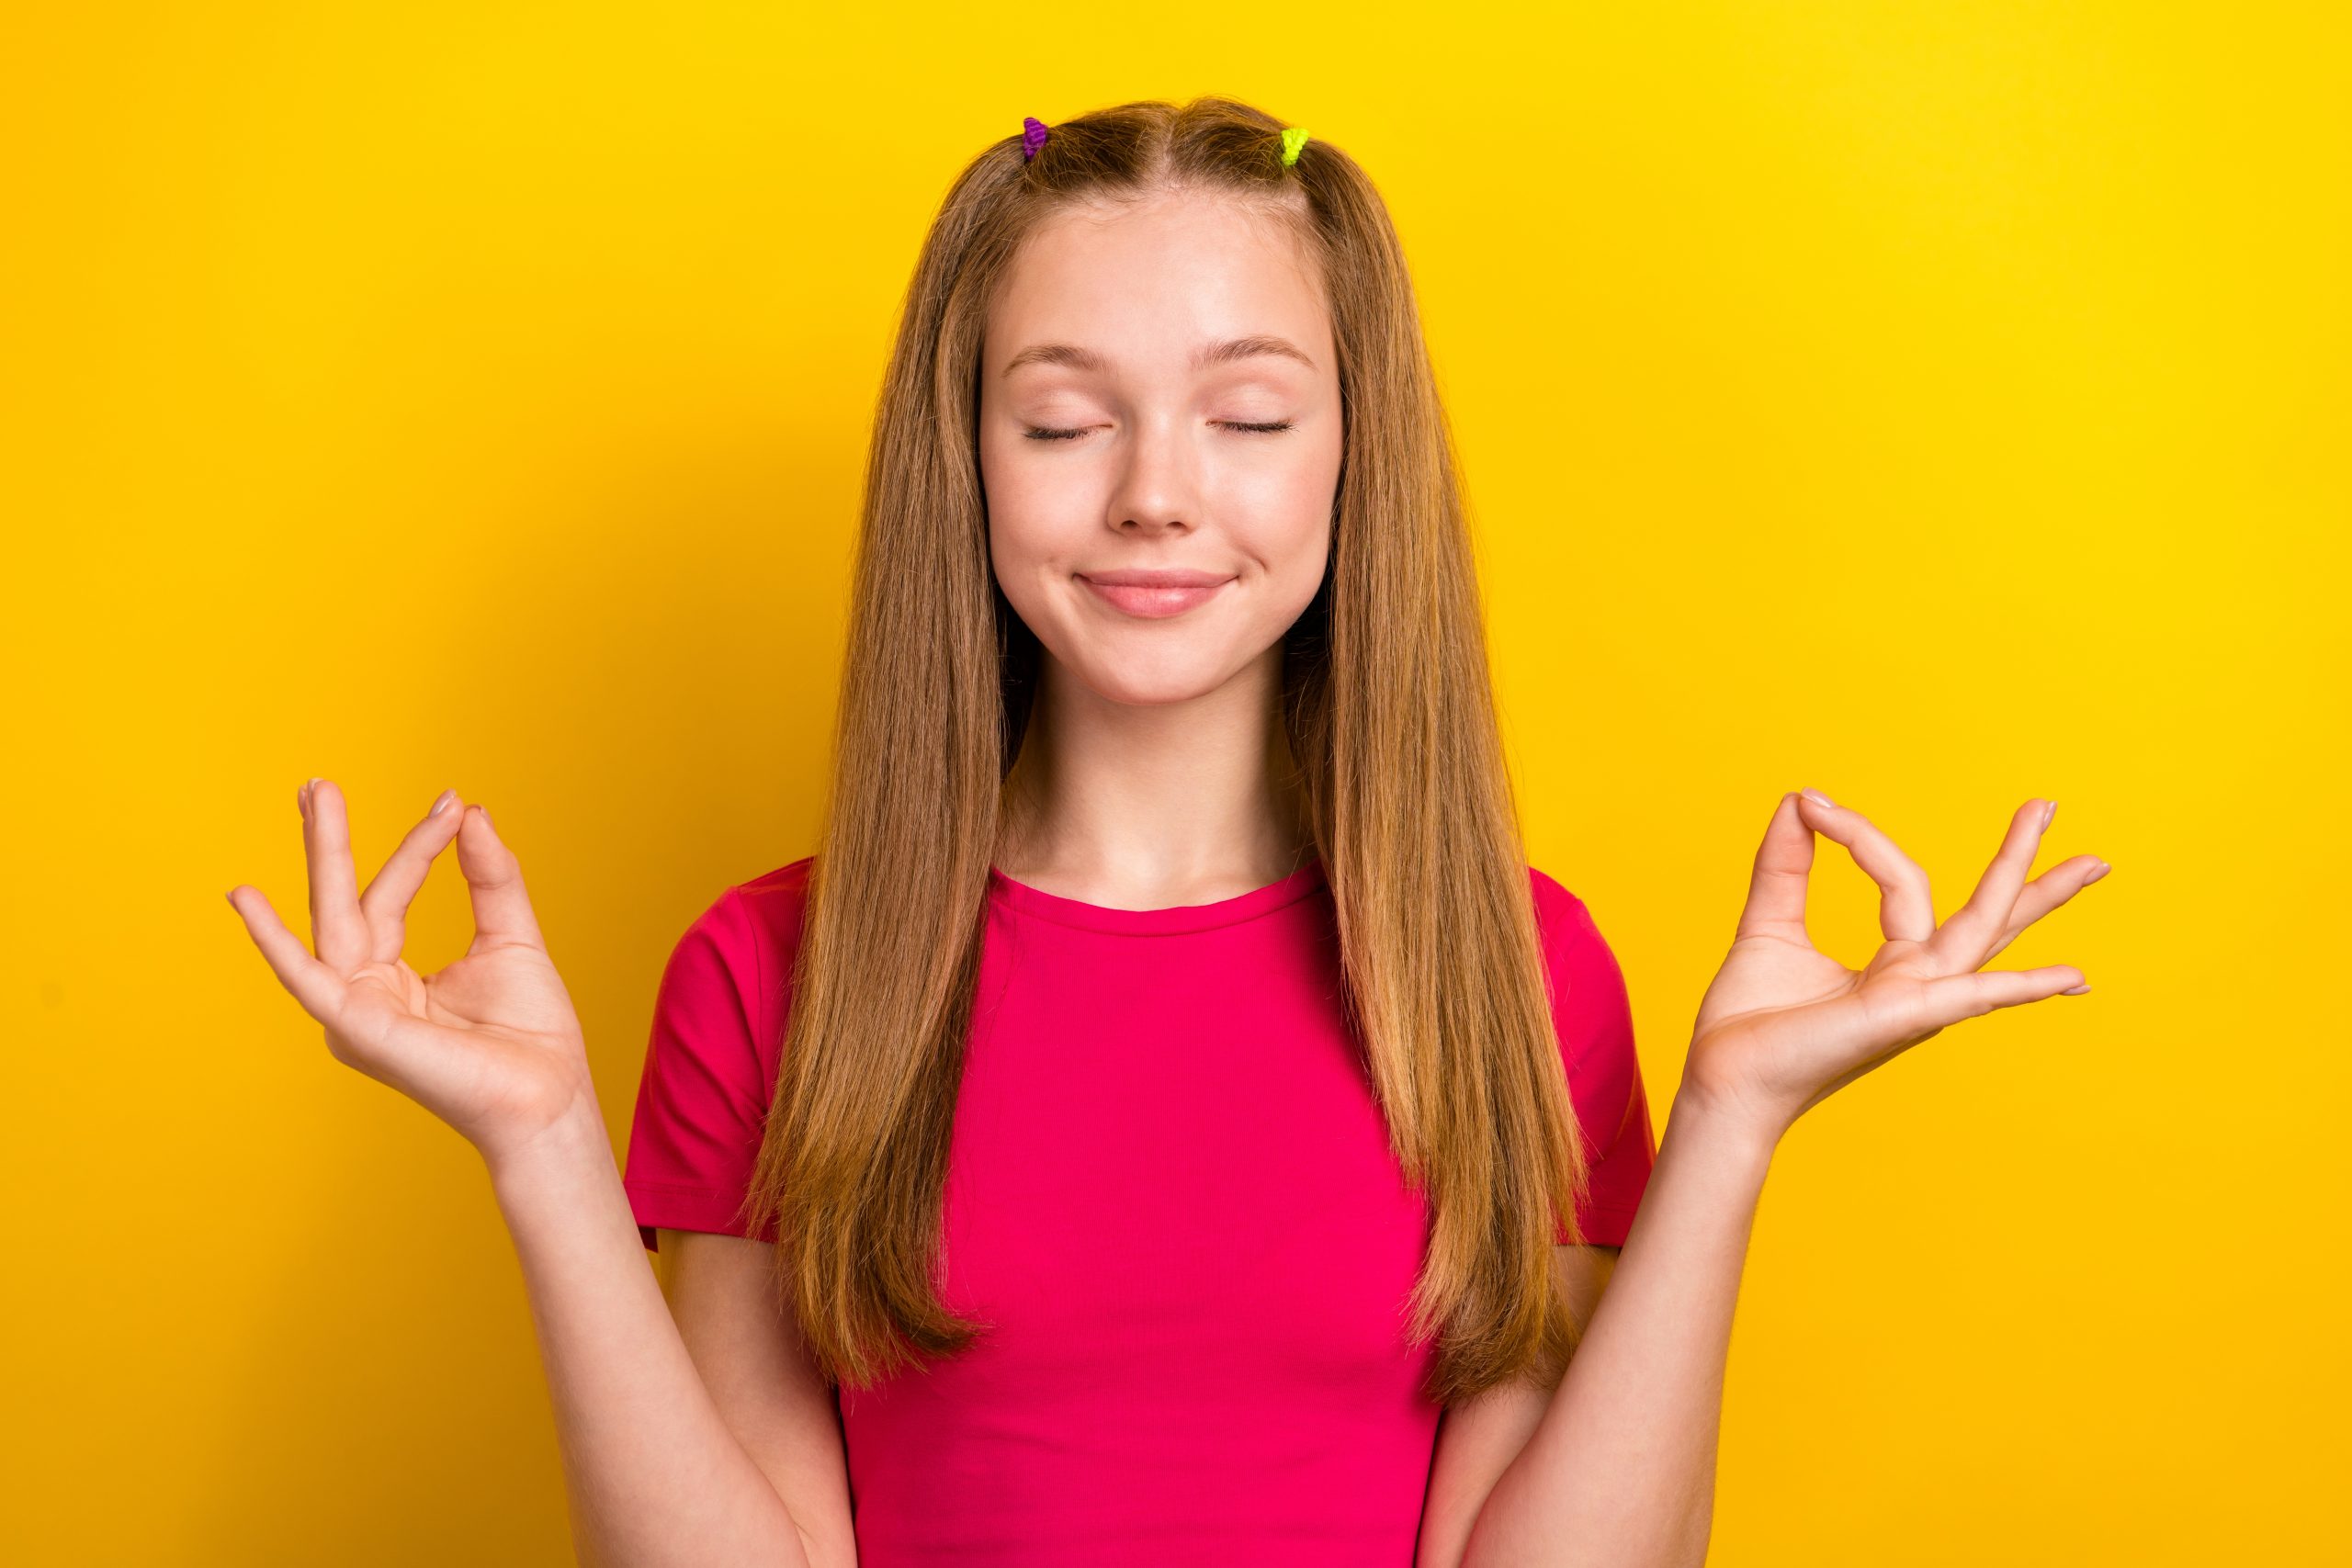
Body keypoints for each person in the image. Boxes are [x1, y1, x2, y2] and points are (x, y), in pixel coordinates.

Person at [225, 96, 2109, 1568]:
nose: (1152, 495)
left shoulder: (1514, 973)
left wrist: (1725, 1133)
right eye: (1061, 423)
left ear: (1348, 451)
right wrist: (548, 1152)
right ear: (958, 458)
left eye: (1246, 413)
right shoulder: (767, 974)